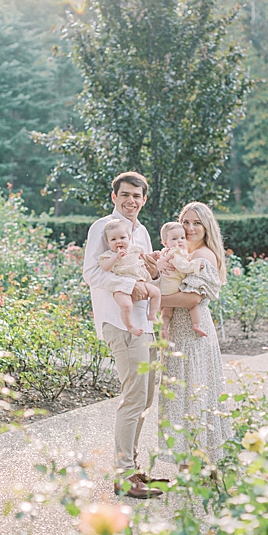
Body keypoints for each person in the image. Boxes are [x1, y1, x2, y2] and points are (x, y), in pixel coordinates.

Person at [82, 171, 167, 499]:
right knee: (133, 398)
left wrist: (154, 271)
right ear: (114, 197)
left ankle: (132, 467)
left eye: (137, 196)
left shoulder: (143, 232)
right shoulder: (102, 228)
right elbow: (91, 273)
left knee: (144, 399)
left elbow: (146, 275)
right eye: (125, 195)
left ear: (144, 200)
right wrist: (128, 286)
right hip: (119, 321)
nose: (131, 201)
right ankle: (124, 475)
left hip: (144, 324)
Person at [157, 201, 234, 468]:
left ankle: (197, 461)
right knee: (181, 392)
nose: (190, 228)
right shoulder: (180, 252)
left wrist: (154, 298)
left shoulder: (203, 256)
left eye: (196, 223)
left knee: (193, 390)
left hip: (192, 332)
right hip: (177, 329)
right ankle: (188, 460)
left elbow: (191, 298)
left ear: (206, 227)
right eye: (186, 222)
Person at [98, 219, 162, 337]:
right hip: (121, 286)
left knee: (156, 292)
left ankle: (152, 314)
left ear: (129, 238)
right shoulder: (109, 255)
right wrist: (116, 257)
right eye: (113, 239)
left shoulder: (134, 249)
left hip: (140, 281)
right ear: (108, 242)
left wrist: (154, 256)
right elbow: (105, 267)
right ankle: (130, 326)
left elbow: (144, 257)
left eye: (122, 238)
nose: (118, 242)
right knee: (126, 305)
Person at [156, 221, 207, 338]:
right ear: (165, 242)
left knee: (167, 312)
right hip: (173, 287)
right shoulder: (175, 253)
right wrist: (195, 265)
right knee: (193, 305)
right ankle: (196, 324)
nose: (179, 241)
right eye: (174, 239)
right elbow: (183, 267)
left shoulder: (166, 252)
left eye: (182, 238)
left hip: (165, 287)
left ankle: (163, 329)